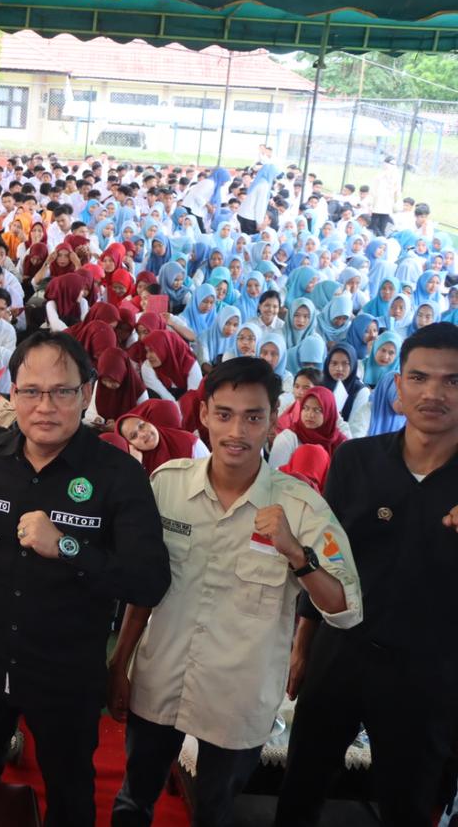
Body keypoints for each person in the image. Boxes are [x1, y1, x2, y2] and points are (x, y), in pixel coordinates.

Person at [108, 357, 361, 827]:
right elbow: (143, 590)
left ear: (273, 419)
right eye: (224, 415)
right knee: (132, 802)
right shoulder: (167, 486)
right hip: (159, 678)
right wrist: (120, 662)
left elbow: (345, 608)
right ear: (203, 414)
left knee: (216, 814)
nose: (236, 432)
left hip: (238, 697)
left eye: (253, 417)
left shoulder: (302, 506)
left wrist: (297, 554)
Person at [0, 330, 170, 827]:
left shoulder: (117, 475)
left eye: (62, 391)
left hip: (67, 672)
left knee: (69, 794)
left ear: (86, 393)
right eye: (31, 391)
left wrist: (66, 546)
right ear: (11, 393)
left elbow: (148, 582)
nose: (46, 406)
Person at [276, 322, 458, 827]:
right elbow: (325, 555)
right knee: (300, 791)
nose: (434, 393)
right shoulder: (355, 461)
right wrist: (303, 641)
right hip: (341, 654)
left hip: (427, 672)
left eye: (452, 381)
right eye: (419, 378)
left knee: (408, 803)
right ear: (397, 386)